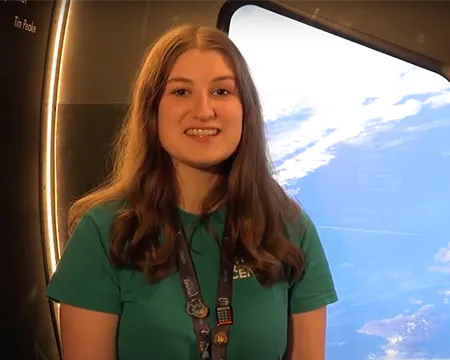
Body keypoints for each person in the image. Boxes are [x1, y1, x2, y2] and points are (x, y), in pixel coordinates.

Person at [46, 23, 338, 360]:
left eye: (221, 92)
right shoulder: (105, 233)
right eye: (181, 92)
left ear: (246, 110)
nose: (203, 110)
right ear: (152, 111)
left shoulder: (289, 229)